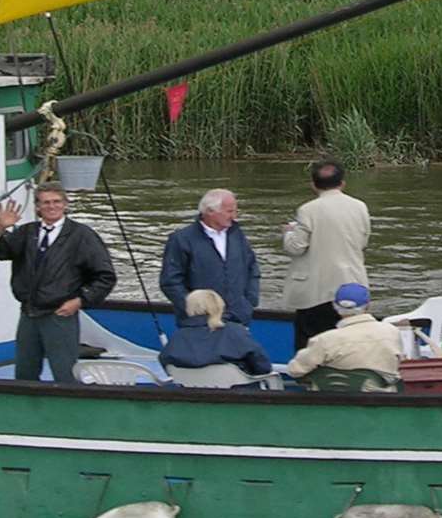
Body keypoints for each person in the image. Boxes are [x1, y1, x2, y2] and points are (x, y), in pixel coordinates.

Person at [0, 183, 116, 383]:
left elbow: (105, 276)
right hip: (28, 313)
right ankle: (28, 409)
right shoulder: (27, 232)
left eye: (56, 202)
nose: (51, 207)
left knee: (64, 372)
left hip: (60, 314)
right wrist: (0, 227)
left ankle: (68, 410)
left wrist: (79, 301)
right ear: (37, 207)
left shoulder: (82, 235)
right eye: (45, 203)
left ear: (65, 205)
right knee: (25, 372)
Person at [280, 160, 371, 351]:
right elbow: (362, 242)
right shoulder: (360, 207)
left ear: (313, 185)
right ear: (342, 183)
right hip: (352, 284)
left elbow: (295, 247)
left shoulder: (308, 210)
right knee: (350, 340)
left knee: (311, 342)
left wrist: (288, 232)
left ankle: (311, 379)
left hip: (316, 290)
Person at [159, 188, 260, 327]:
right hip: (199, 323)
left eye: (235, 211)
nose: (234, 216)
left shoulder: (237, 235)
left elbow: (252, 267)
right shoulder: (181, 240)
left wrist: (249, 301)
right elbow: (170, 281)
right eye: (229, 211)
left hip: (238, 318)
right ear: (210, 211)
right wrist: (194, 310)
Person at [285, 282, 401, 383]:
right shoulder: (392, 332)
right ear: (368, 305)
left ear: (335, 306)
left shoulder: (324, 340)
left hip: (332, 397)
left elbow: (295, 370)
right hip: (382, 394)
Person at [158, 289, 272, 377]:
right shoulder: (236, 332)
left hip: (191, 395)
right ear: (219, 307)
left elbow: (165, 363)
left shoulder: (179, 337)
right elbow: (263, 366)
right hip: (237, 395)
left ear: (189, 309)